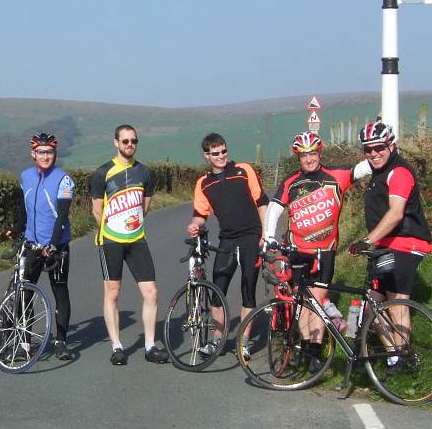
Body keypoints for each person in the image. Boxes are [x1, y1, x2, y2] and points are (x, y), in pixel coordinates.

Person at [262, 131, 370, 371]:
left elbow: (365, 167)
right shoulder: (291, 181)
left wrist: (381, 145)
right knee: (300, 302)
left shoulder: (336, 175)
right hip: (296, 251)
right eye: (303, 155)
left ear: (319, 153)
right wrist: (269, 236)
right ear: (298, 158)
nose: (308, 159)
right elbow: (275, 207)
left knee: (318, 301)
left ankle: (314, 351)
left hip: (324, 251)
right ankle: (307, 347)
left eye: (312, 153)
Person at [346, 120, 432, 373]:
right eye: (368, 149)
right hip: (386, 245)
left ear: (391, 145)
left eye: (378, 147)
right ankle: (393, 357)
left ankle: (406, 356)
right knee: (372, 304)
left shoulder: (399, 172)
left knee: (396, 301)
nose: (373, 153)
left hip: (407, 242)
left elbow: (396, 214)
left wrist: (367, 240)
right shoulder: (378, 172)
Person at [91, 124, 169, 365]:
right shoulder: (102, 173)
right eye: (125, 141)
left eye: (133, 141)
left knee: (151, 293)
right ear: (116, 142)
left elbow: (145, 206)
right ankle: (117, 346)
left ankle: (149, 345)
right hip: (111, 240)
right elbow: (96, 210)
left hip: (136, 240)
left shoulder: (144, 172)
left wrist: (131, 226)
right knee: (113, 293)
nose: (129, 145)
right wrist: (115, 228)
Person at [185, 133, 268, 358]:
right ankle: (217, 341)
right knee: (217, 291)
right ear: (206, 155)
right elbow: (200, 214)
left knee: (247, 290)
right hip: (227, 240)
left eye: (224, 151)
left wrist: (266, 234)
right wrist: (194, 226)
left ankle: (244, 342)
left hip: (251, 236)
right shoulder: (204, 183)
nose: (221, 156)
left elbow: (262, 202)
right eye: (216, 153)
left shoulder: (243, 170)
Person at [7, 132, 75, 361]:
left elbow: (62, 216)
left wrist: (54, 245)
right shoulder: (25, 176)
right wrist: (16, 229)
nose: (45, 156)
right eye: (41, 152)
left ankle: (61, 342)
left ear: (55, 154)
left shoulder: (63, 179)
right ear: (33, 154)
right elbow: (25, 209)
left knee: (59, 290)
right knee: (24, 291)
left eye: (50, 152)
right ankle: (25, 343)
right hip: (32, 244)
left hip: (56, 245)